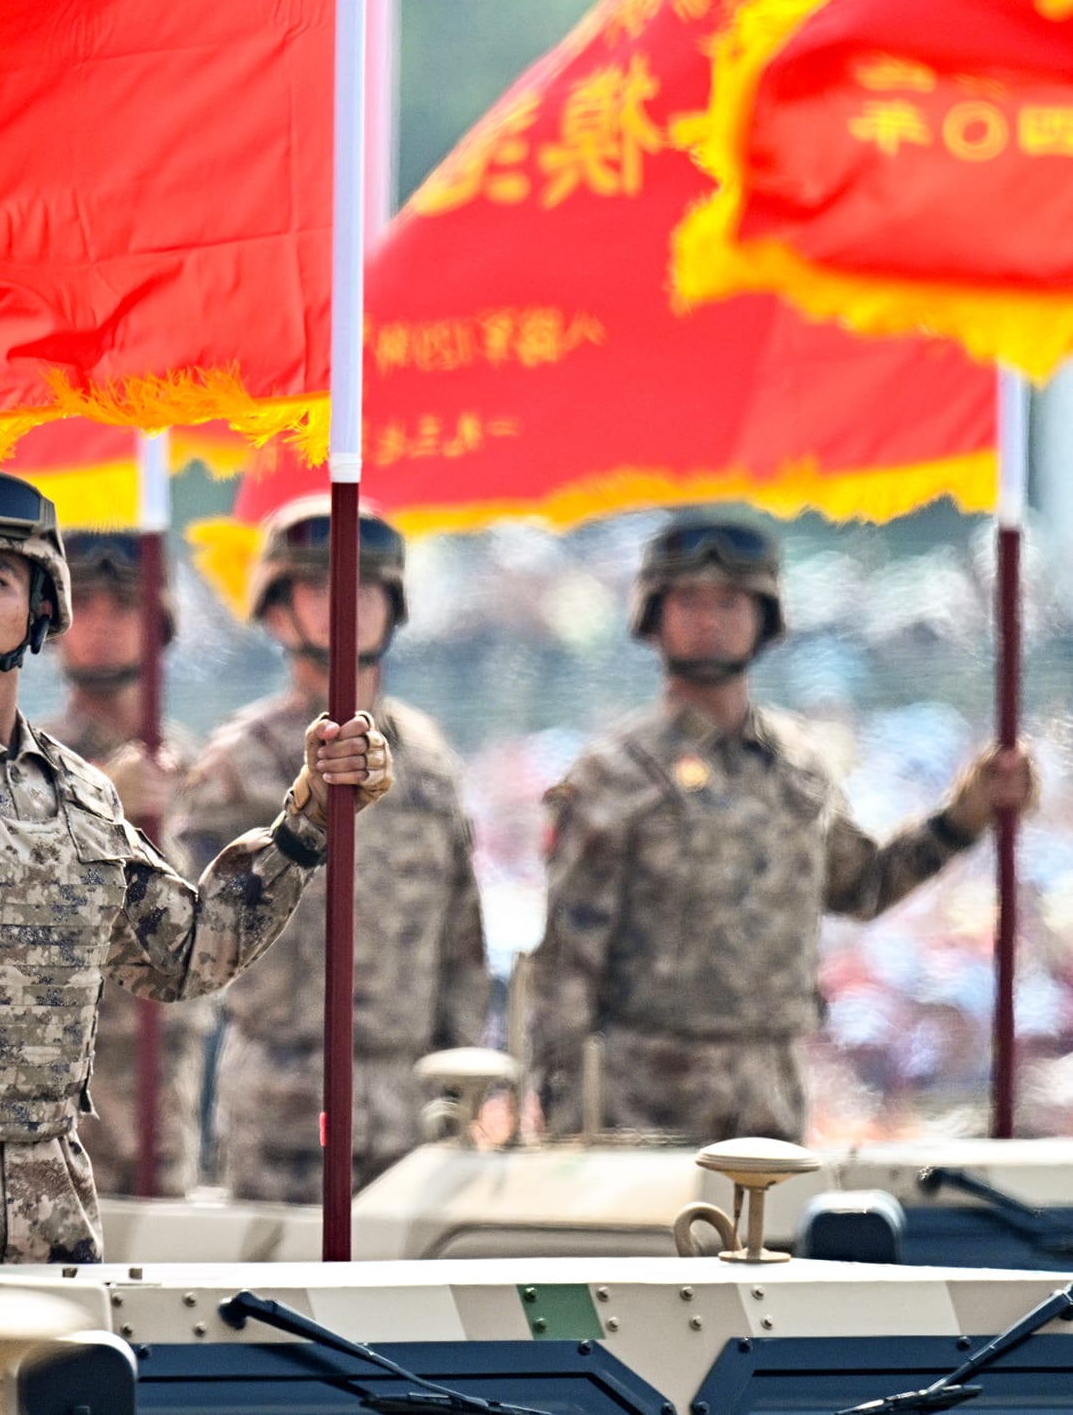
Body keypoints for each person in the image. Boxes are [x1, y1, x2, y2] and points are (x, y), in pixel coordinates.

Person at [0, 469, 390, 1263]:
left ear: (39, 608)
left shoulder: (81, 794)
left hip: (52, 1215)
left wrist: (307, 821)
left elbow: (186, 955)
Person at [534, 511, 1035, 1142]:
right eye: (688, 600)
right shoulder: (610, 775)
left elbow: (863, 886)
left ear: (764, 617)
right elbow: (565, 968)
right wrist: (563, 1114)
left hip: (769, 1095)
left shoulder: (795, 766)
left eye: (730, 601)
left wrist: (962, 818)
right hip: (639, 1103)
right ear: (654, 616)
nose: (709, 619)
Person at [171, 498, 487, 1199]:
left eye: (367, 588)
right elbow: (183, 936)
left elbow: (461, 939)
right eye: (320, 589)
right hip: (283, 1102)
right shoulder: (240, 762)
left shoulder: (428, 758)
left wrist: (462, 1075)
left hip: (410, 1103)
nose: (348, 605)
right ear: (278, 613)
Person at [35, 530, 210, 1198]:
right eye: (88, 607)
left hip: (166, 1072)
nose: (103, 627)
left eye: (125, 606)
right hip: (62, 1080)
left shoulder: (197, 768)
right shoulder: (25, 762)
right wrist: (105, 796)